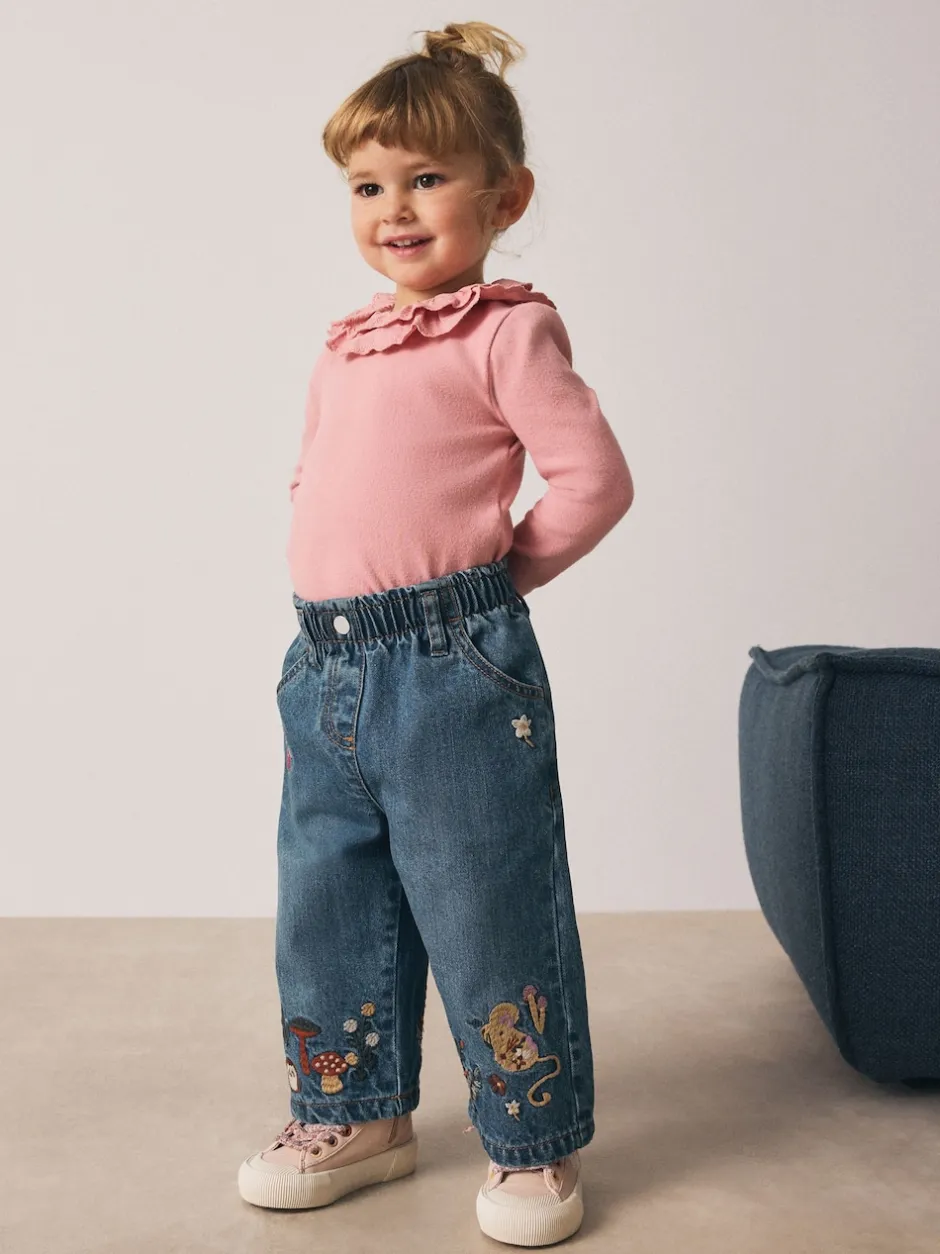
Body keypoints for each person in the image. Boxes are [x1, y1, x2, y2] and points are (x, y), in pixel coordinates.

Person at [237, 19, 634, 1247]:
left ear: (503, 195)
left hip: (448, 666)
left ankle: (531, 1134)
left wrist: (487, 590)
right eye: (367, 186)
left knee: (482, 895)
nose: (393, 209)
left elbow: (593, 481)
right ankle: (353, 1111)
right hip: (323, 663)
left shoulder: (507, 329)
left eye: (424, 178)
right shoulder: (347, 342)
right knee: (329, 897)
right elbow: (322, 479)